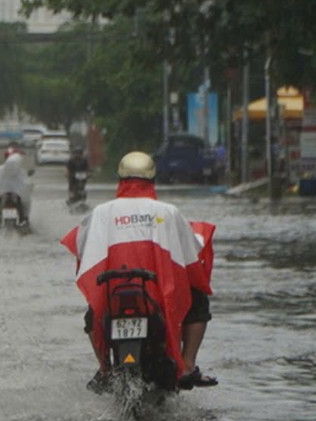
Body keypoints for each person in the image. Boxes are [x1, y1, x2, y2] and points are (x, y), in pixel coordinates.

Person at [61, 150, 217, 389]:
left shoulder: (102, 212)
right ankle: (187, 365)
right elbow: (190, 255)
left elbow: (83, 249)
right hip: (159, 293)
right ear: (152, 181)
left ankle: (104, 369)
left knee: (93, 313)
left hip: (113, 290)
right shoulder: (167, 212)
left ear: (120, 181)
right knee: (198, 300)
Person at [0, 148, 33, 228]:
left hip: (3, 195)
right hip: (16, 197)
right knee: (26, 205)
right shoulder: (21, 171)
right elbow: (28, 184)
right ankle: (26, 221)